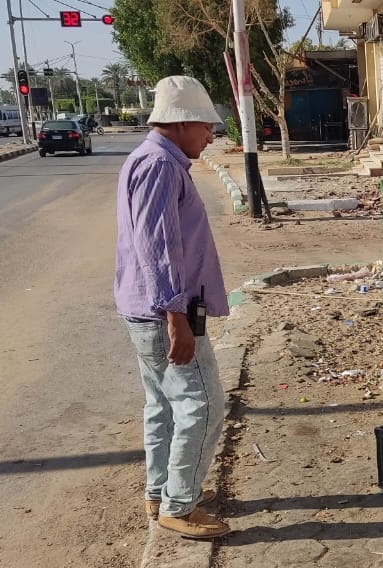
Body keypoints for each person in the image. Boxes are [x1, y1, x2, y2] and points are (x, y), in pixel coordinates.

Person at [114, 75, 230, 539]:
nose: (210, 136)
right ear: (181, 122)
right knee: (204, 404)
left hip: (152, 310)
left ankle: (160, 491)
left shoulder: (153, 160)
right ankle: (179, 506)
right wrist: (175, 315)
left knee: (163, 404)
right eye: (206, 126)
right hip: (165, 314)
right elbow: (158, 247)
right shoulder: (159, 165)